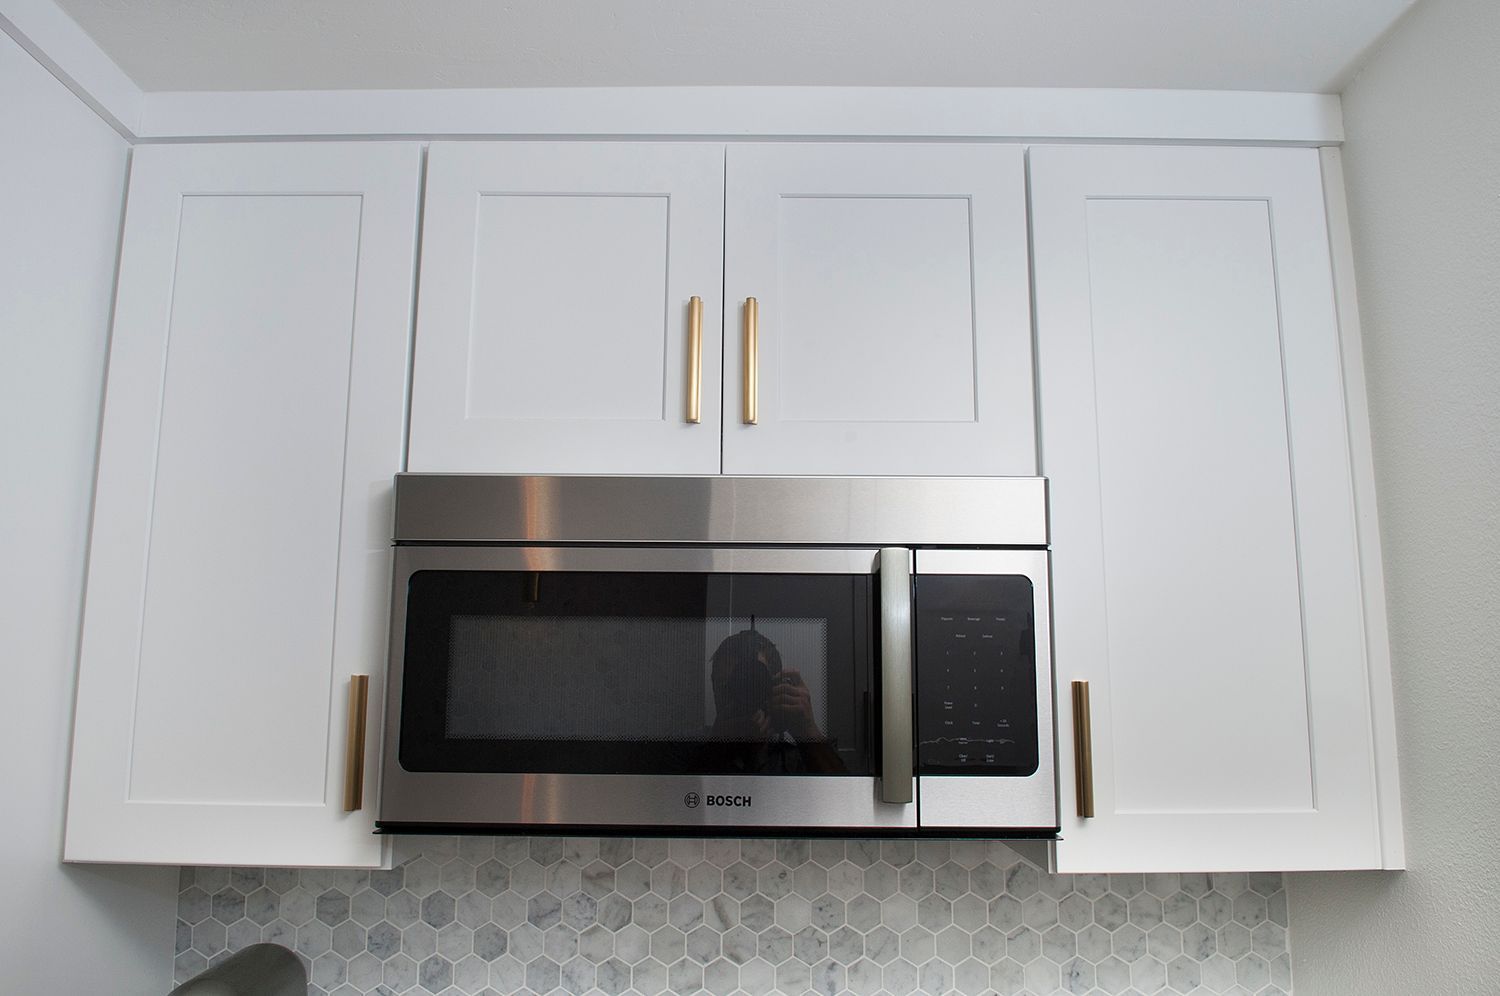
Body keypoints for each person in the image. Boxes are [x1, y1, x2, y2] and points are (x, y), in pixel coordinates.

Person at [706, 629, 846, 773]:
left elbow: (842, 793)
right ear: (714, 688)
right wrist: (715, 748)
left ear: (775, 686)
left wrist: (807, 729)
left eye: (752, 684)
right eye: (726, 687)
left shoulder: (799, 757)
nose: (740, 697)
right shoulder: (691, 748)